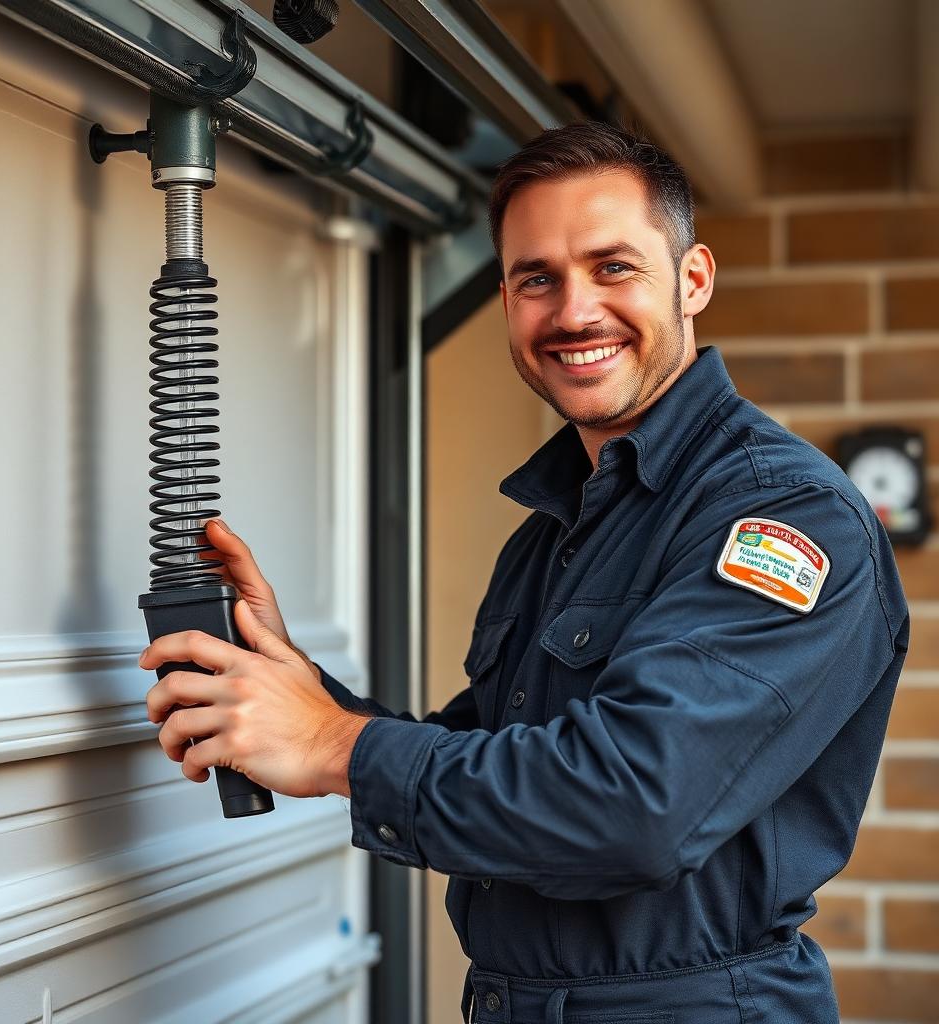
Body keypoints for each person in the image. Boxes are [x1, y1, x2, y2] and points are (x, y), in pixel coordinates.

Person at [141, 122, 909, 1023]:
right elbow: (501, 772)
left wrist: (331, 746)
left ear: (693, 278)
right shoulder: (561, 523)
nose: (574, 311)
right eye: (535, 278)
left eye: (613, 267)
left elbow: (635, 807)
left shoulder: (778, 515)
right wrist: (299, 688)